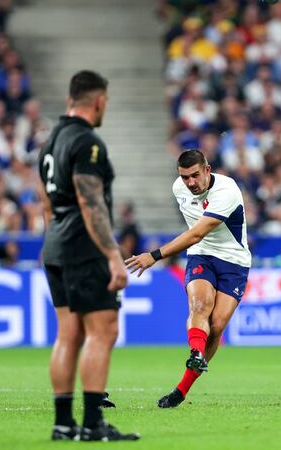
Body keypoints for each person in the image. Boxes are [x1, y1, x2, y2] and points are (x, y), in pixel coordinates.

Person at [38, 70, 139, 441]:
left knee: (68, 336)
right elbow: (90, 202)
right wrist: (113, 255)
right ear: (98, 101)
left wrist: (50, 242)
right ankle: (94, 423)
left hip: (56, 245)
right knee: (103, 330)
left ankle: (63, 423)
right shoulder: (87, 142)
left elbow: (46, 202)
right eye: (106, 103)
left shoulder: (51, 142)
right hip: (84, 248)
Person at [125, 149, 251, 409]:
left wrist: (155, 255)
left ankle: (182, 389)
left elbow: (196, 233)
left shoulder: (227, 190)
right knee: (199, 306)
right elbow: (197, 241)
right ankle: (195, 353)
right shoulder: (178, 188)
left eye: (195, 175)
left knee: (216, 327)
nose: (191, 183)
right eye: (185, 178)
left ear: (208, 170)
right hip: (201, 255)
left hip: (234, 261)